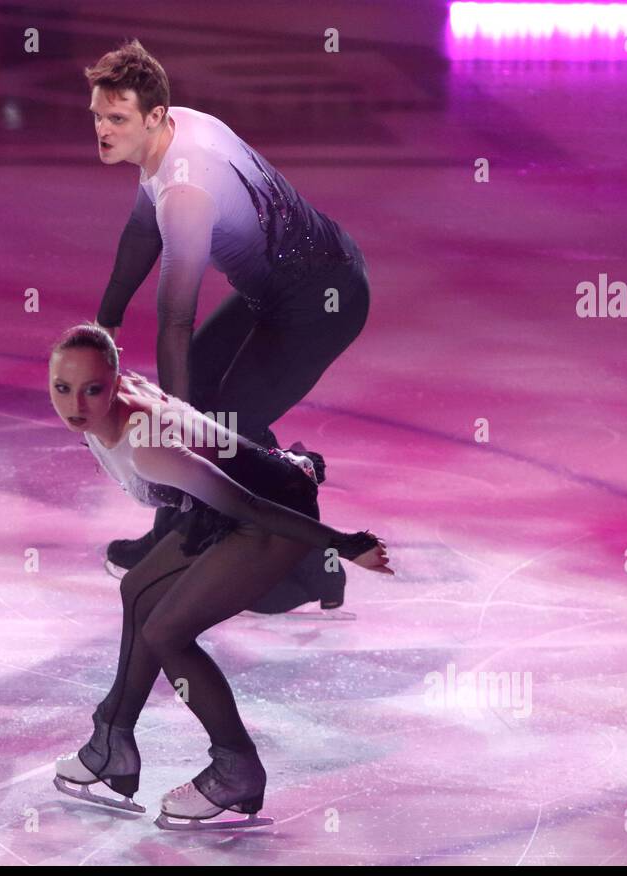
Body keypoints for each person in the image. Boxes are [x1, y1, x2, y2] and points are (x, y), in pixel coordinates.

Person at [47, 325, 391, 830]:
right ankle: (110, 744)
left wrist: (345, 543)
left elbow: (249, 505)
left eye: (92, 389)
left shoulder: (148, 445)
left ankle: (237, 771)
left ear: (115, 382)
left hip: (271, 510)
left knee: (166, 632)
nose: (76, 404)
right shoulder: (109, 405)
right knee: (136, 589)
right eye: (62, 388)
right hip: (224, 502)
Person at [85, 39, 372, 613]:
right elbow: (142, 234)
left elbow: (175, 320)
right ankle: (174, 533)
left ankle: (320, 564)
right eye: (97, 115)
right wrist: (108, 319)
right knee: (208, 404)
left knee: (228, 422)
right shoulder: (172, 137)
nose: (103, 129)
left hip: (323, 300)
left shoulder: (187, 193)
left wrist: (178, 426)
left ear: (154, 117)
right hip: (280, 291)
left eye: (117, 118)